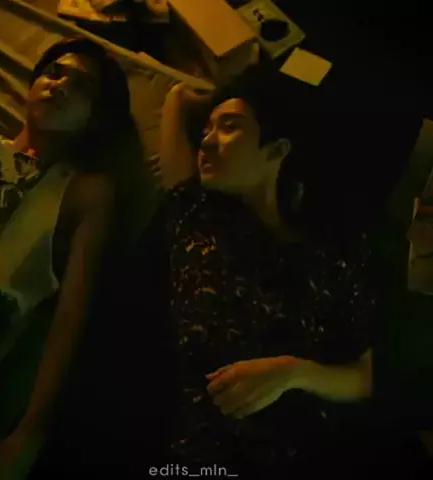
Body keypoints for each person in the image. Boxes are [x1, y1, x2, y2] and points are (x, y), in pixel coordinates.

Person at [144, 66, 380, 477]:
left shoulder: (334, 250)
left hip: (307, 454)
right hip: (197, 457)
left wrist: (293, 372)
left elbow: (364, 377)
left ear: (276, 150)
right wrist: (206, 96)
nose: (206, 141)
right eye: (206, 129)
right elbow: (176, 100)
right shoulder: (194, 213)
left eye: (229, 127)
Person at [0, 37, 140, 479]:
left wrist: (29, 434)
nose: (59, 85)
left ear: (96, 117)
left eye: (82, 86)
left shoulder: (85, 193)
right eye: (54, 72)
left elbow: (69, 320)